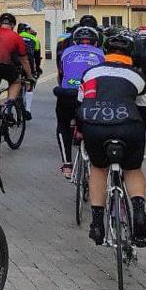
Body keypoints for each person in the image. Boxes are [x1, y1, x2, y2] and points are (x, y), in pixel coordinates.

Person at [78, 32, 146, 247]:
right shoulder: (138, 76)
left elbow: (82, 104)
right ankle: (138, 211)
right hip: (129, 127)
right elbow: (144, 111)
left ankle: (97, 222)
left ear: (105, 53)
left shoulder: (90, 73)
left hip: (95, 127)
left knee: (99, 169)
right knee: (132, 169)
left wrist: (82, 131)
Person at [54, 26, 104, 178]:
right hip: (91, 95)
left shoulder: (66, 52)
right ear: (96, 43)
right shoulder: (101, 54)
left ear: (74, 42)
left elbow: (61, 74)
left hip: (68, 94)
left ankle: (67, 164)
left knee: (62, 124)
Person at [0, 13, 33, 120]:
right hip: (4, 64)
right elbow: (24, 60)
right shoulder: (16, 36)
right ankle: (9, 107)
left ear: (0, 24)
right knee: (15, 82)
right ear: (13, 25)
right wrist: (29, 76)